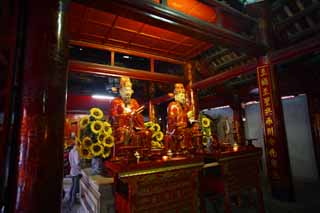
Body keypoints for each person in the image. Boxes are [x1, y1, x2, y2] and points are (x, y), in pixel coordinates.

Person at [110, 77, 151, 155]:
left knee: (146, 133)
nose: (128, 93)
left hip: (135, 127)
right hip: (121, 127)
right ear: (121, 91)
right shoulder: (116, 102)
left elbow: (140, 118)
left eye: (129, 90)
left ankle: (144, 154)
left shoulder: (134, 102)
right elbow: (114, 117)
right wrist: (128, 116)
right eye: (126, 90)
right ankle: (124, 154)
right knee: (126, 132)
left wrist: (135, 115)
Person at [167, 83, 195, 153]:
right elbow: (172, 121)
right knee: (182, 130)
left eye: (182, 88)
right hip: (176, 129)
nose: (181, 90)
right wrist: (186, 116)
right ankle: (182, 149)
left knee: (196, 128)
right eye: (178, 88)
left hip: (185, 126)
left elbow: (189, 118)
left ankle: (194, 147)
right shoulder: (172, 105)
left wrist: (191, 119)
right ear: (175, 93)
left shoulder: (185, 106)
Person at [68, 141, 81, 209]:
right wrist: (81, 166)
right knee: (75, 187)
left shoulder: (71, 151)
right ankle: (72, 202)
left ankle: (70, 199)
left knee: (73, 185)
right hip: (76, 171)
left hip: (72, 170)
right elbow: (77, 162)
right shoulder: (76, 151)